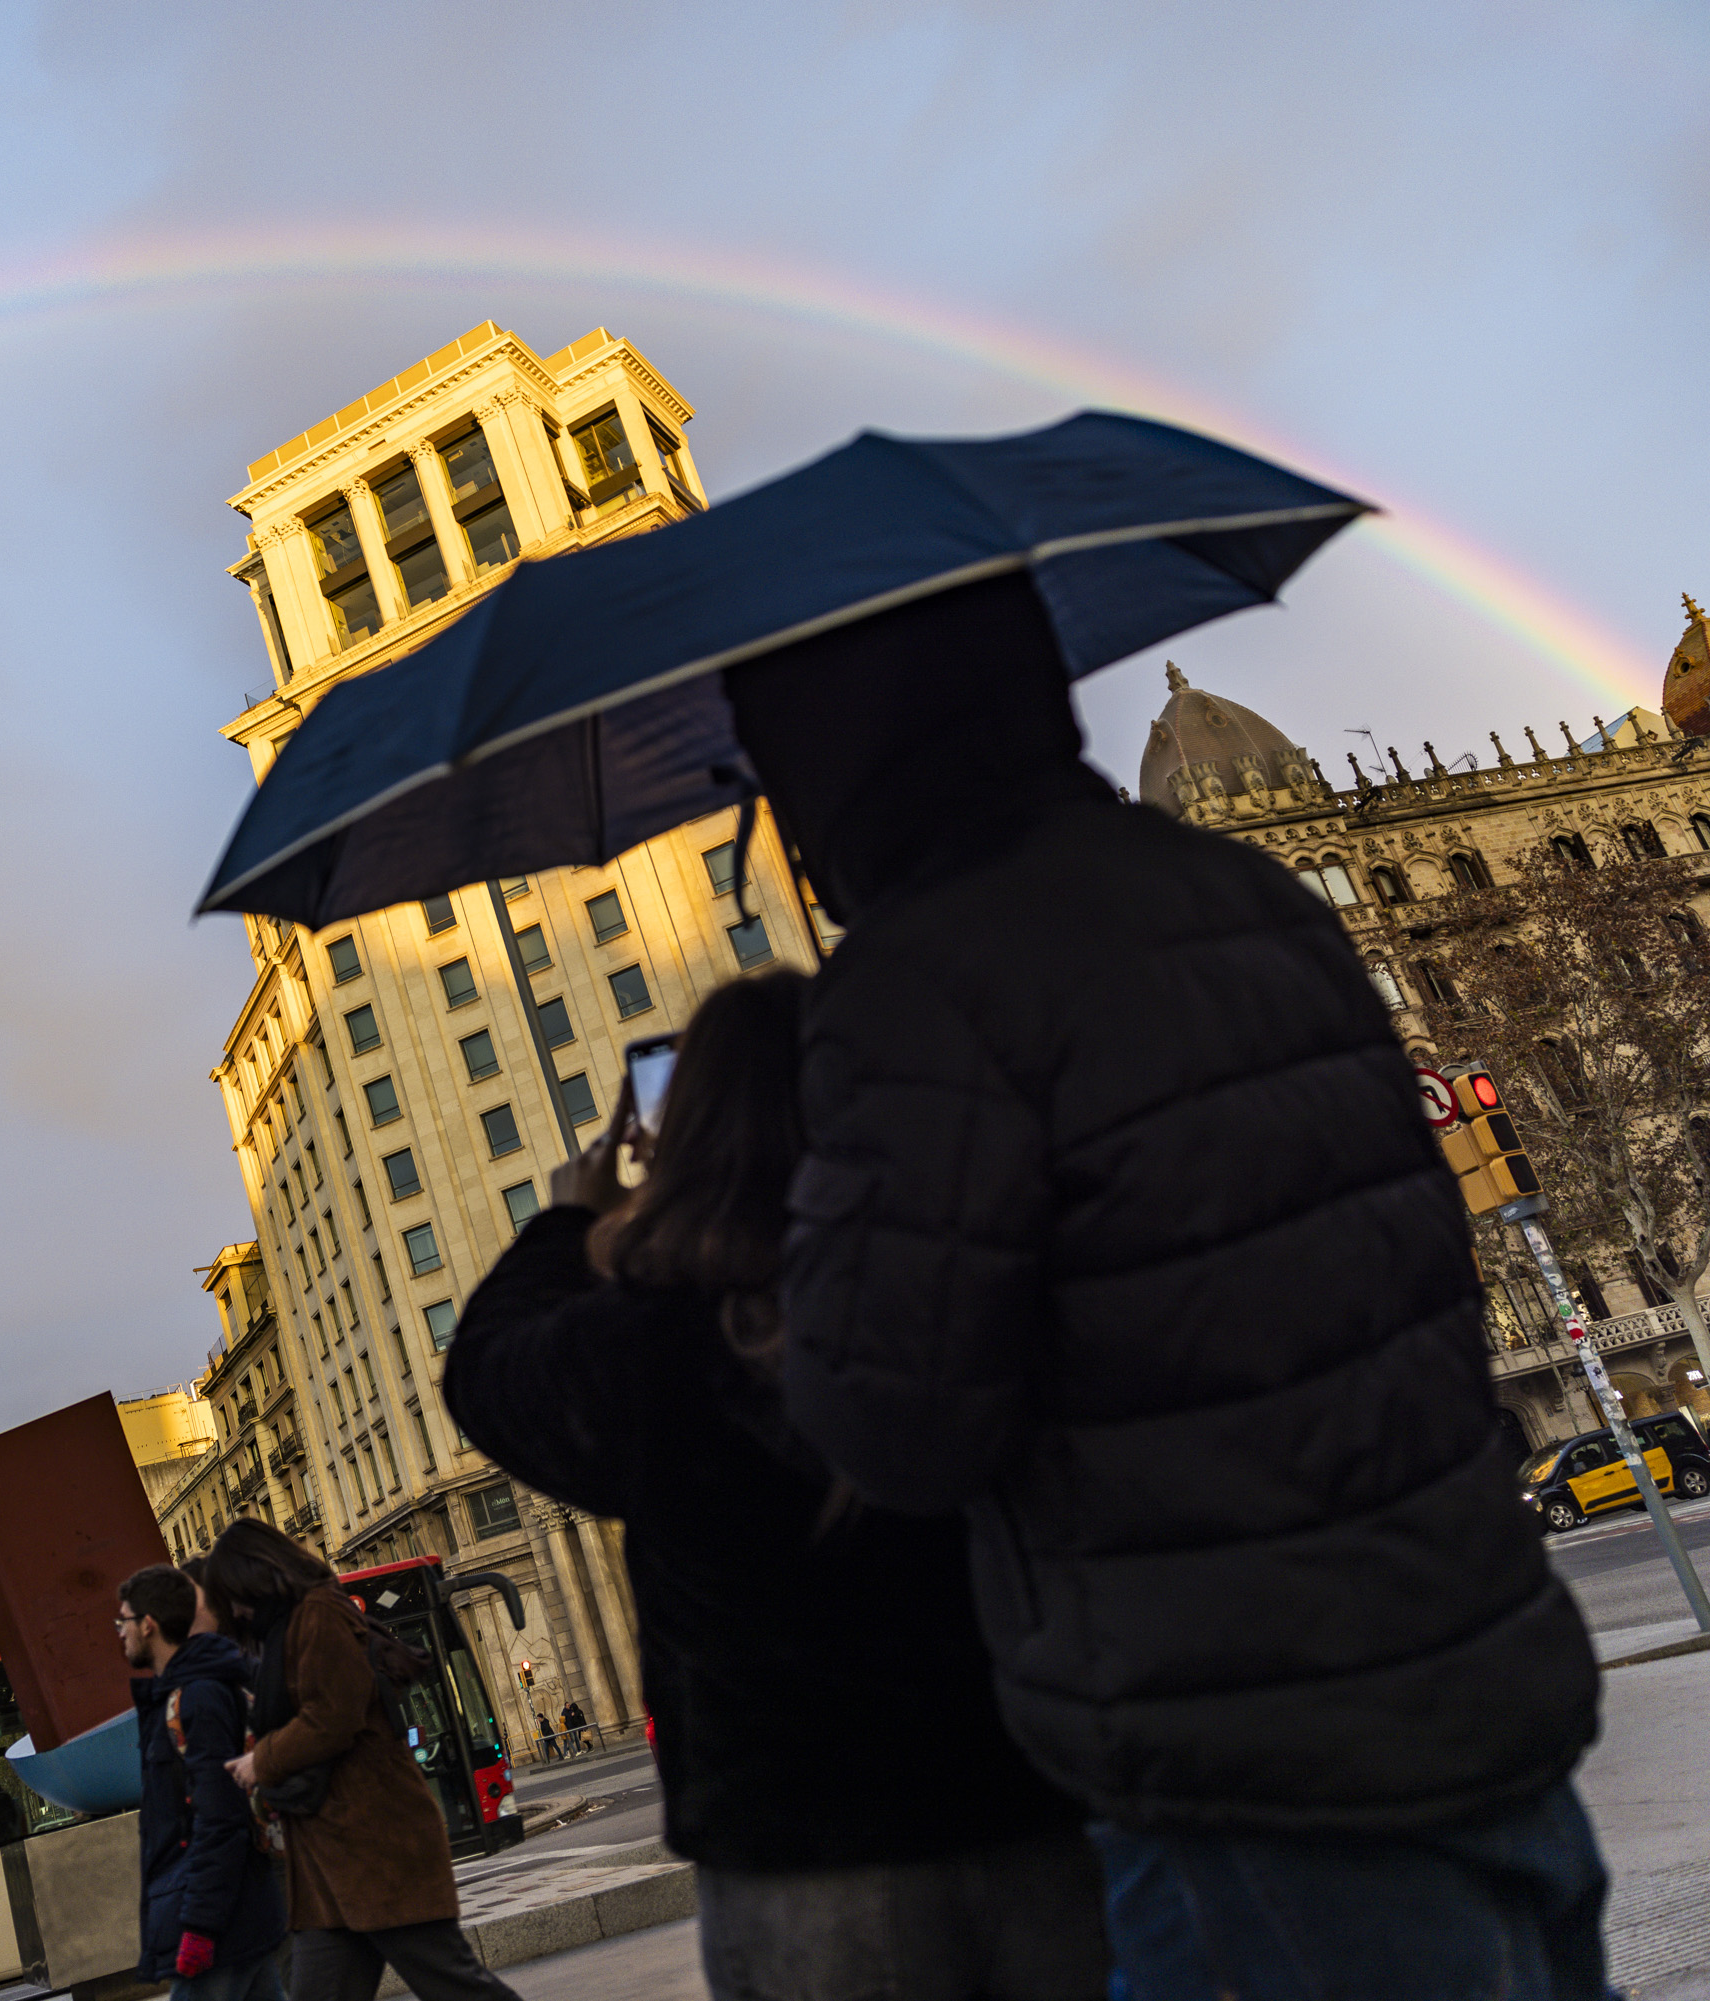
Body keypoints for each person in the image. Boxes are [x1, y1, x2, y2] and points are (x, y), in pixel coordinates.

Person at [723, 589, 1606, 1997]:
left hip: (1242, 1754)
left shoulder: (921, 981)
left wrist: (806, 1260)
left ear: (835, 766)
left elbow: (896, 1424)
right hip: (1481, 1663)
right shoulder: (1252, 895)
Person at [443, 973, 1108, 2001]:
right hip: (1030, 1795)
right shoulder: (961, 1274)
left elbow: (486, 1373)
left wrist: (568, 1221)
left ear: (677, 1136)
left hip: (800, 1843)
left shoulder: (657, 1338)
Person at [203, 1521, 522, 2001]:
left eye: (233, 1596)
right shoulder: (284, 1629)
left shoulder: (318, 1614)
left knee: (453, 1985)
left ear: (254, 1576)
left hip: (376, 1847)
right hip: (332, 1864)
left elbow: (333, 1715)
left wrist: (260, 1762)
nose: (235, 1611)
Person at [122, 1561, 287, 2001]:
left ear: (149, 1625)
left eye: (124, 1621)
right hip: (232, 1915)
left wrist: (199, 1926)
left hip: (220, 1924)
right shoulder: (179, 1695)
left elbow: (219, 1818)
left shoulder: (198, 1696)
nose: (120, 1632)